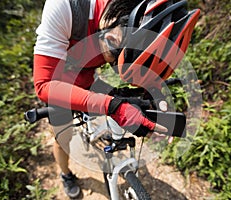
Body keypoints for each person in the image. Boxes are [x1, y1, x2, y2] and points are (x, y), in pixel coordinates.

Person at [33, 0, 199, 198]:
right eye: (114, 47)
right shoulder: (65, 7)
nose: (112, 60)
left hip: (87, 77)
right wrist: (113, 107)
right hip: (57, 83)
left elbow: (141, 70)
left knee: (122, 103)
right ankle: (66, 174)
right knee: (63, 137)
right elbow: (44, 85)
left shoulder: (122, 31)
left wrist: (154, 93)